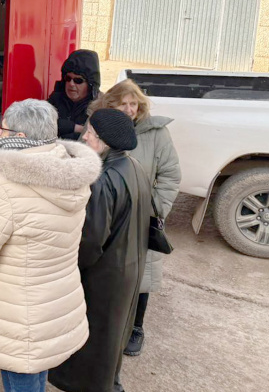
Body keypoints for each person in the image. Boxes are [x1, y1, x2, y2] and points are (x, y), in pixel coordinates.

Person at [0, 99, 102, 392]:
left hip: (18, 313)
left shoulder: (1, 186)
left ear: (20, 138)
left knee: (23, 380)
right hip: (57, 302)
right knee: (36, 375)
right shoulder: (73, 177)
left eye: (3, 130)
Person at [49, 108, 152, 392]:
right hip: (129, 267)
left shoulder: (103, 178)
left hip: (103, 276)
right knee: (112, 338)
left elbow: (91, 240)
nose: (84, 139)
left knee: (93, 344)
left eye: (90, 134)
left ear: (104, 141)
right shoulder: (134, 166)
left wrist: (69, 270)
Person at [90, 79, 181, 357]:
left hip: (142, 214)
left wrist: (155, 208)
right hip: (106, 211)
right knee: (103, 269)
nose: (130, 109)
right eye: (123, 103)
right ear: (110, 104)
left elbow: (170, 175)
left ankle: (136, 327)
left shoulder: (156, 133)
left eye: (134, 103)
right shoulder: (98, 128)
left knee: (142, 274)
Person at [47, 50, 101, 140]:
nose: (71, 84)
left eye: (78, 80)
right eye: (68, 78)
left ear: (90, 84)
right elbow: (40, 122)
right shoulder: (56, 99)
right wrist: (76, 128)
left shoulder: (100, 105)